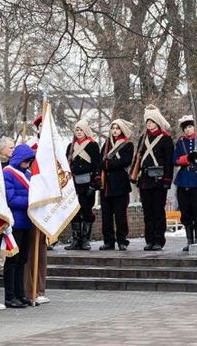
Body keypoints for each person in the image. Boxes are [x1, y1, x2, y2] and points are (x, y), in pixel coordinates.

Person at [134, 106, 173, 251]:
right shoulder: (143, 138)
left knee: (158, 212)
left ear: (157, 122)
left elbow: (169, 161)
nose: (149, 123)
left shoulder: (166, 139)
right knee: (148, 213)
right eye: (147, 121)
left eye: (151, 121)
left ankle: (158, 240)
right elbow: (138, 158)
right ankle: (149, 240)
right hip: (145, 179)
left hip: (159, 180)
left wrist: (167, 180)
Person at [173, 115, 197, 252]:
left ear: (194, 127)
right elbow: (175, 160)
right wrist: (187, 158)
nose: (188, 130)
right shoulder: (180, 142)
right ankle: (189, 241)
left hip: (196, 180)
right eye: (185, 128)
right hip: (183, 179)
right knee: (185, 211)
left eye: (190, 127)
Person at [3, 143, 36, 307]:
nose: (28, 163)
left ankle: (20, 293)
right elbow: (11, 198)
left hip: (28, 222)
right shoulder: (8, 173)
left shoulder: (29, 174)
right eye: (26, 160)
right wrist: (31, 201)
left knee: (22, 260)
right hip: (15, 222)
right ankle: (10, 296)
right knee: (12, 260)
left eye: (30, 161)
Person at [64, 120, 102, 251]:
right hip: (74, 184)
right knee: (74, 211)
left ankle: (85, 240)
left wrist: (94, 184)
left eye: (81, 130)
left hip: (88, 183)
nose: (79, 132)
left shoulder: (93, 145)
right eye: (77, 130)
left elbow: (97, 165)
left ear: (86, 131)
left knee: (86, 210)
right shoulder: (70, 146)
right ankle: (76, 240)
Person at [100, 120, 135, 251]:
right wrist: (106, 164)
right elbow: (100, 161)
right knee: (106, 216)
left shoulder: (127, 144)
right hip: (106, 185)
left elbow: (125, 161)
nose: (114, 130)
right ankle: (108, 241)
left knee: (120, 215)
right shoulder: (107, 144)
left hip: (120, 184)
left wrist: (108, 164)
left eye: (117, 128)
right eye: (113, 128)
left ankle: (122, 240)